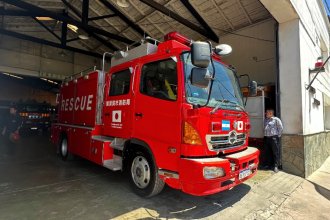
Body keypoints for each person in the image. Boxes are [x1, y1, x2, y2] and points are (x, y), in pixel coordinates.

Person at [264, 108, 283, 173]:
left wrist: (277, 136)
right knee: (268, 152)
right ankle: (268, 165)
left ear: (270, 113)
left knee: (275, 152)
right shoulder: (266, 120)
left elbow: (280, 128)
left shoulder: (276, 120)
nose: (265, 114)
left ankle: (275, 166)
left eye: (266, 112)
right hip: (267, 138)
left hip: (274, 138)